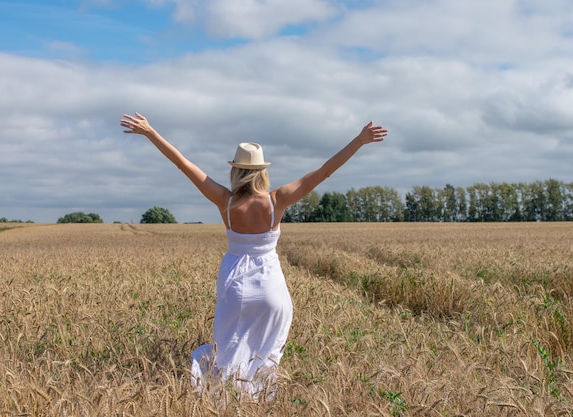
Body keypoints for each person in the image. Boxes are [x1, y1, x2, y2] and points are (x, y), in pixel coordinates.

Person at [120, 113, 388, 399]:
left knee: (229, 348)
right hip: (271, 288)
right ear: (262, 172)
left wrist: (151, 132)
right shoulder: (278, 200)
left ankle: (224, 397)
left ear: (236, 171)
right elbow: (323, 172)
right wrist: (359, 141)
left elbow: (183, 164)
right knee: (265, 356)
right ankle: (259, 400)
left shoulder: (224, 201)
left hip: (235, 286)